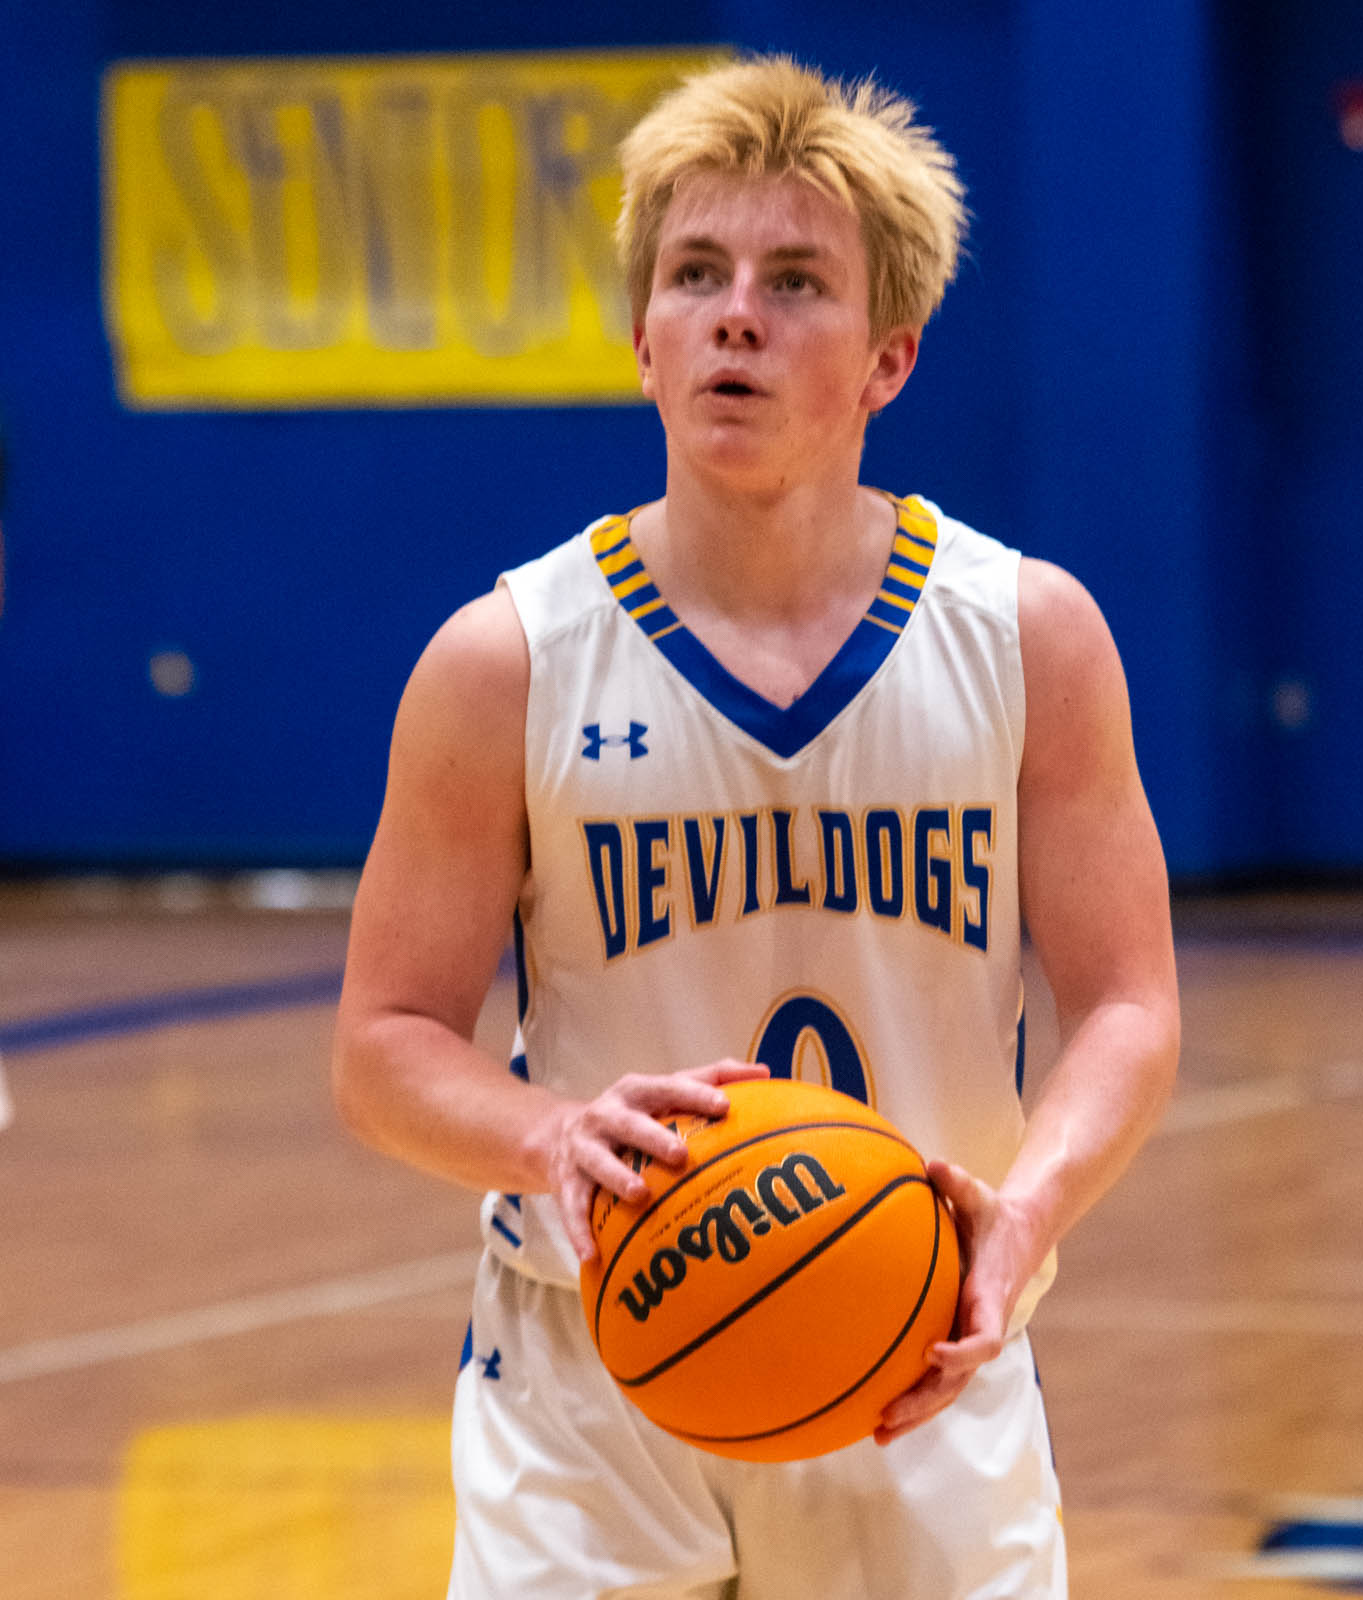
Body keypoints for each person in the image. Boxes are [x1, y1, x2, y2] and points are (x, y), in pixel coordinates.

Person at [334, 53, 1179, 1599]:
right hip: (594, 1379)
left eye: (795, 281)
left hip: (918, 1347)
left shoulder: (1028, 637)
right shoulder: (505, 661)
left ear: (888, 360)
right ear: (642, 339)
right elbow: (383, 1044)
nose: (737, 315)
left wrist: (1028, 1212)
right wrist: (546, 1135)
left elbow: (1129, 1003)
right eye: (696, 274)